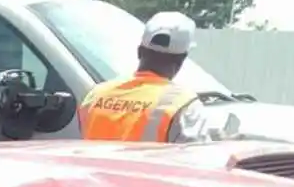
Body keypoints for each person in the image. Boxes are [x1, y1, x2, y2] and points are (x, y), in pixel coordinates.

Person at [78, 10, 217, 142]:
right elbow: (195, 159)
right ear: (181, 59)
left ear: (139, 51)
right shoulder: (184, 106)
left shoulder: (95, 95)